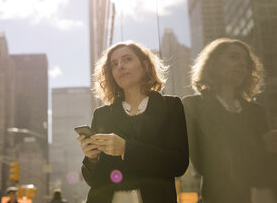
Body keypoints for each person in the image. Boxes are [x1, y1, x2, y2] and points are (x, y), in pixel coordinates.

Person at [76, 41, 189, 203]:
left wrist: (125, 149)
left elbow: (178, 163)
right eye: (114, 64)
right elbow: (94, 181)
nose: (120, 66)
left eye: (127, 59)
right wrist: (92, 159)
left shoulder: (171, 107)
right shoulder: (102, 115)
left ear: (145, 65)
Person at [182, 38, 272, 203]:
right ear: (213, 64)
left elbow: (266, 165)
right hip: (217, 197)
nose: (242, 64)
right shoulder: (192, 106)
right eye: (234, 57)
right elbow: (205, 162)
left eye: (246, 62)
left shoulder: (256, 112)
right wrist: (261, 146)